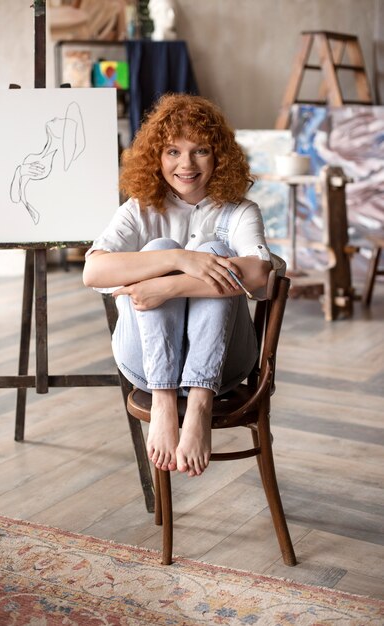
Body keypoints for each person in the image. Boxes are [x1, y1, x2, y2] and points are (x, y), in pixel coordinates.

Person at [83, 93, 274, 478]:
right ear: (157, 157)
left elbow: (260, 274)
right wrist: (177, 260)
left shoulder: (239, 210)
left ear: (218, 156)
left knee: (215, 248)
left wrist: (165, 287)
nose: (185, 164)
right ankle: (165, 402)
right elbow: (93, 272)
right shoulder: (140, 208)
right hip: (144, 363)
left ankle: (200, 404)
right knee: (161, 246)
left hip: (225, 367)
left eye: (200, 150)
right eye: (172, 151)